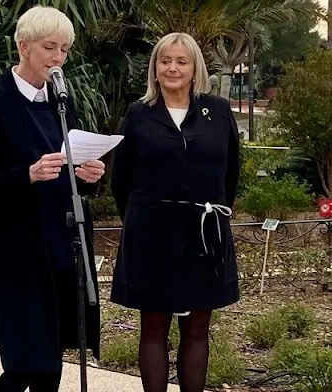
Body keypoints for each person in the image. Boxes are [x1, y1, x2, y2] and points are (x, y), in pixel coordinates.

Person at [0, 6, 105, 391]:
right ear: (23, 47)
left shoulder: (62, 102)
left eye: (64, 49)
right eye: (49, 48)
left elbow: (68, 168)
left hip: (62, 244)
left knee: (53, 360)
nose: (58, 58)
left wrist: (88, 176)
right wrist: (26, 174)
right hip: (18, 250)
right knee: (27, 362)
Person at [110, 32, 241, 392]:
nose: (172, 68)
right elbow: (121, 180)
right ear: (154, 69)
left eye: (181, 61)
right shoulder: (139, 115)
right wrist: (143, 216)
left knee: (198, 328)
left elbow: (230, 173)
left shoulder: (217, 111)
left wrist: (212, 214)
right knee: (154, 328)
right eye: (165, 61)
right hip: (152, 235)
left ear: (194, 67)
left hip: (204, 235)